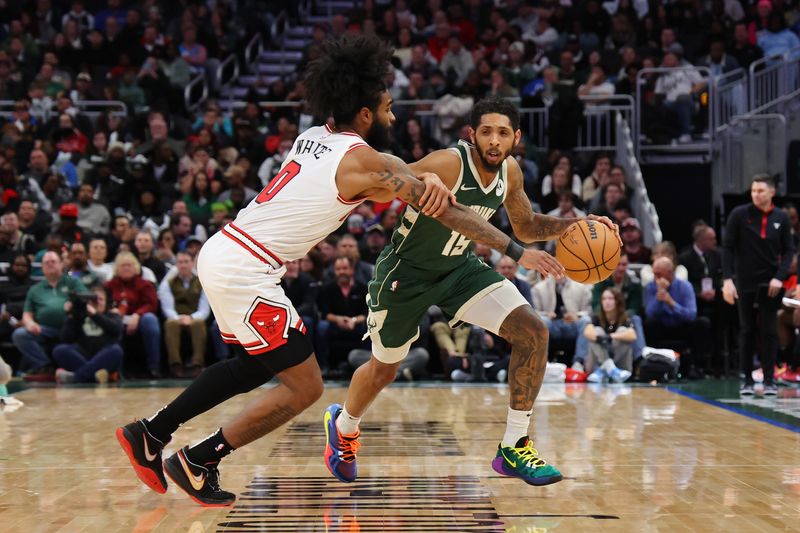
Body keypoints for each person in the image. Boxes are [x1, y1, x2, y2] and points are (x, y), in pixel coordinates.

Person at [116, 34, 535, 507]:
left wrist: (427, 175)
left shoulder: (315, 136)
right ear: (364, 114)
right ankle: (198, 459)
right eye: (388, 107)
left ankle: (151, 433)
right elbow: (438, 206)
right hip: (246, 269)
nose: (393, 117)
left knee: (253, 364)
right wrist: (515, 250)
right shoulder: (364, 165)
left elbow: (397, 169)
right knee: (306, 387)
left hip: (226, 251)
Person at [324, 96, 620, 488]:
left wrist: (576, 226)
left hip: (460, 269)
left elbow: (527, 225)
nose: (494, 141)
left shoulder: (510, 172)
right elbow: (382, 180)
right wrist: (422, 179)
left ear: (516, 138)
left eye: (502, 133)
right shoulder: (448, 162)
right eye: (486, 132)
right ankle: (343, 426)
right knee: (385, 368)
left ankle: (514, 444)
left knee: (533, 331)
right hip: (406, 273)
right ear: (472, 135)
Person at [723, 175, 794, 396]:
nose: (756, 194)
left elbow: (789, 251)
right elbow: (727, 247)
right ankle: (746, 379)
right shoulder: (739, 214)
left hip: (770, 283)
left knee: (769, 330)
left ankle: (770, 379)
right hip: (745, 281)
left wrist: (779, 277)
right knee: (747, 330)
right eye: (753, 190)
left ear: (772, 192)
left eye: (761, 191)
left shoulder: (781, 217)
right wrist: (727, 280)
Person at [13, 251, 86, 376]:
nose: (50, 264)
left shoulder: (73, 282)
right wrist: (30, 324)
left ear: (61, 264)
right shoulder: (35, 289)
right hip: (45, 329)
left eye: (53, 261)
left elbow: (87, 299)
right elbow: (27, 314)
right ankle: (45, 366)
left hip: (72, 327)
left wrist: (74, 304)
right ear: (42, 267)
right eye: (46, 263)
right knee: (20, 334)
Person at [53, 286, 124, 384]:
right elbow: (65, 338)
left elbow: (117, 330)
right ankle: (96, 376)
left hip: (104, 356)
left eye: (101, 299)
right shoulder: (80, 315)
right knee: (60, 349)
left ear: (106, 302)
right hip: (83, 355)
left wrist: (95, 315)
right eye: (94, 299)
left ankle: (76, 377)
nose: (97, 302)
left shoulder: (112, 315)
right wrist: (71, 316)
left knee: (116, 350)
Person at [158, 251, 210, 378]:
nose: (183, 265)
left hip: (195, 317)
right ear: (176, 264)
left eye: (186, 262)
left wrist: (191, 318)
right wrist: (178, 318)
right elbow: (167, 308)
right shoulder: (168, 283)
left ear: (192, 263)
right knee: (171, 323)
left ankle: (197, 364)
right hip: (176, 317)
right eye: (180, 262)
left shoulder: (202, 281)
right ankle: (175, 365)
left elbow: (204, 310)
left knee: (198, 323)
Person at [582, 288, 635, 383]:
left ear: (617, 301)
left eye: (610, 298)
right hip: (595, 365)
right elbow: (587, 332)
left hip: (619, 362)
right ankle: (609, 367)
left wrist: (611, 337)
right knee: (596, 331)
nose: (607, 302)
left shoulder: (624, 317)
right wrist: (600, 339)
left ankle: (607, 368)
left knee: (622, 331)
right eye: (604, 299)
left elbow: (632, 335)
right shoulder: (596, 317)